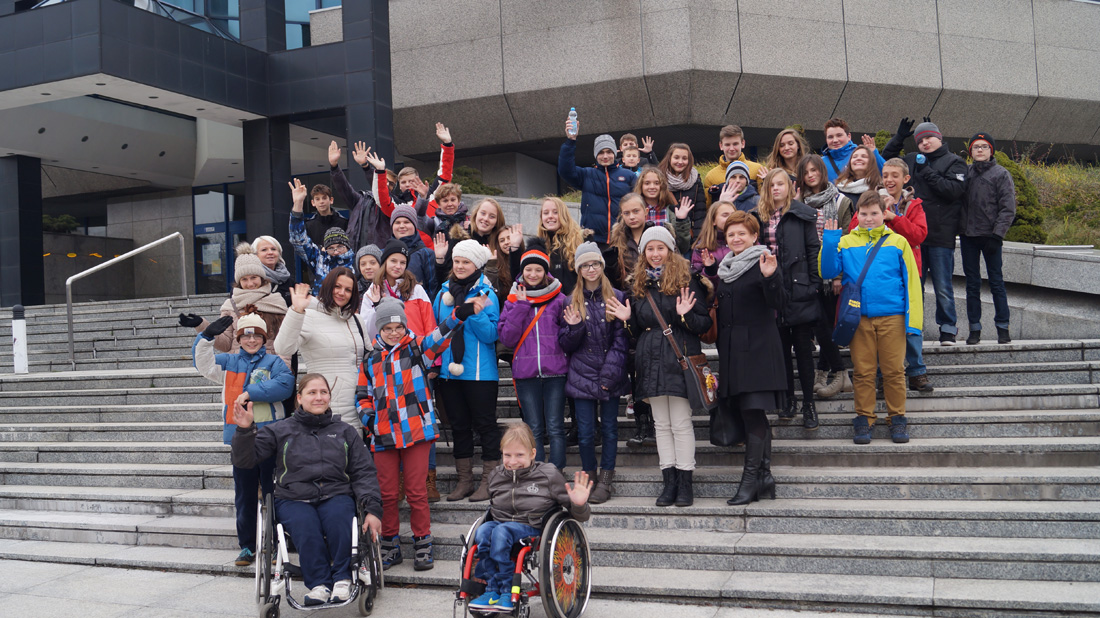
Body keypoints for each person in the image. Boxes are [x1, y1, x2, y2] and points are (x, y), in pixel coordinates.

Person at [357, 295, 487, 571]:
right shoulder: (370, 359)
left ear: (405, 326)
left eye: (398, 327)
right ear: (379, 329)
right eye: (387, 328)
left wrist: (460, 313)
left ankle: (423, 542)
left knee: (416, 492)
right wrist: (370, 421)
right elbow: (362, 396)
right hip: (383, 435)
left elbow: (440, 335)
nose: (394, 333)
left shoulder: (418, 349)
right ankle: (390, 544)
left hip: (416, 431)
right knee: (387, 494)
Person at [232, 374, 383, 606]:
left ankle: (342, 579)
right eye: (312, 392)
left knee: (340, 518)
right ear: (299, 398)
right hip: (293, 497)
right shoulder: (280, 430)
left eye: (323, 392)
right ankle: (319, 584)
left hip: (336, 493)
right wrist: (244, 431)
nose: (318, 397)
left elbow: (364, 472)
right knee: (305, 526)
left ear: (329, 397)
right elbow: (245, 460)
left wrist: (372, 509)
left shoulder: (345, 431)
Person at [607, 226, 712, 507]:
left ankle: (685, 482)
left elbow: (703, 324)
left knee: (680, 423)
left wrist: (684, 316)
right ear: (643, 253)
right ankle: (669, 482)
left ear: (670, 250)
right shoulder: (638, 285)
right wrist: (628, 320)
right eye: (650, 249)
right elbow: (637, 331)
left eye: (660, 248)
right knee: (661, 425)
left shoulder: (688, 280)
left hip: (678, 358)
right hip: (650, 360)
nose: (655, 254)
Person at [193, 312, 294, 567]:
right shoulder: (229, 361)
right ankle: (247, 546)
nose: (251, 340)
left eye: (257, 335)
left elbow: (285, 385)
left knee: (274, 492)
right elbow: (203, 364)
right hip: (241, 439)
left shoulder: (274, 362)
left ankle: (276, 543)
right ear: (238, 339)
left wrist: (250, 392)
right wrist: (206, 337)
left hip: (270, 436)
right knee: (244, 494)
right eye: (246, 336)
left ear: (264, 338)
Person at [821, 191, 922, 445]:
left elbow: (912, 283)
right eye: (864, 213)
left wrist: (914, 323)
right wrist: (830, 240)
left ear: (884, 214)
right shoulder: (846, 241)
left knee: (894, 371)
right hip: (859, 318)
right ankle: (864, 418)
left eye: (874, 213)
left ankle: (897, 417)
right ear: (857, 215)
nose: (868, 218)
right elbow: (827, 270)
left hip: (892, 316)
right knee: (863, 372)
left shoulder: (898, 242)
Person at [704, 212, 785, 505]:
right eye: (731, 234)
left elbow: (779, 303)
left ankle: (750, 482)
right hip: (733, 353)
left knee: (753, 413)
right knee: (752, 414)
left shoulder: (764, 262)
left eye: (742, 233)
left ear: (754, 236)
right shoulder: (726, 267)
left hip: (759, 351)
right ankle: (764, 477)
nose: (736, 238)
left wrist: (771, 277)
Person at [468, 424, 591, 614]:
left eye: (519, 455)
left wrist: (579, 504)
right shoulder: (495, 475)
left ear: (533, 453)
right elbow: (492, 507)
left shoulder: (548, 475)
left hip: (531, 526)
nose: (513, 461)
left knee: (500, 532)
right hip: (501, 524)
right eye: (507, 455)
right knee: (483, 531)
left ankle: (507, 591)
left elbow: (577, 516)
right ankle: (492, 589)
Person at [848, 158, 932, 392]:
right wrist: (875, 213)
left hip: (908, 274)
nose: (889, 180)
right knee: (880, 326)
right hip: (877, 275)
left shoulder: (913, 205)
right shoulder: (870, 200)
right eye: (885, 175)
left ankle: (916, 371)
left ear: (906, 179)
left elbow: (918, 236)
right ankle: (883, 374)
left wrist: (894, 217)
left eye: (895, 175)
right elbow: (853, 230)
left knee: (911, 322)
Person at [884, 119, 967, 345]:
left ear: (939, 138)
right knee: (914, 286)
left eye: (929, 138)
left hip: (940, 236)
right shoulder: (911, 159)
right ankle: (915, 328)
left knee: (942, 286)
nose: (925, 143)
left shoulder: (955, 162)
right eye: (920, 140)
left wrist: (927, 171)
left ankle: (948, 329)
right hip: (912, 236)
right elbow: (887, 160)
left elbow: (953, 191)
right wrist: (899, 138)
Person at [560, 242, 629, 503]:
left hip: (611, 373)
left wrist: (609, 375)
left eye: (595, 264)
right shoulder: (570, 301)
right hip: (581, 376)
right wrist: (574, 328)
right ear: (579, 270)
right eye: (585, 265)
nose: (591, 269)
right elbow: (565, 344)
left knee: (610, 429)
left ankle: (606, 479)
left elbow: (621, 340)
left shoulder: (617, 296)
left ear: (602, 266)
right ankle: (589, 475)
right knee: (586, 432)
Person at [433, 240, 502, 502]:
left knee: (485, 426)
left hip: (480, 373)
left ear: (477, 265)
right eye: (457, 261)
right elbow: (436, 331)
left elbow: (491, 335)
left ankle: (489, 482)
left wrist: (474, 312)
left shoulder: (487, 293)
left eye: (466, 262)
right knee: (459, 427)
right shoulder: (443, 293)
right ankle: (464, 482)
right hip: (449, 373)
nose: (460, 266)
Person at [757, 170, 822, 429]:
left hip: (800, 289)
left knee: (804, 351)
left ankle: (809, 404)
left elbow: (813, 249)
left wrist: (814, 284)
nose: (775, 188)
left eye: (780, 184)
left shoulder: (802, 214)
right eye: (771, 184)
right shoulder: (759, 216)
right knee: (781, 351)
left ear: (790, 186)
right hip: (773, 291)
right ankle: (788, 399)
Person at [498, 245, 570, 469]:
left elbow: (568, 335)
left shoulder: (559, 299)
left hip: (555, 372)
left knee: (555, 426)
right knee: (534, 428)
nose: (533, 274)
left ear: (546, 272)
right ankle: (536, 473)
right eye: (528, 269)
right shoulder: (512, 299)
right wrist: (520, 306)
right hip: (526, 374)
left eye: (538, 270)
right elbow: (507, 338)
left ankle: (555, 472)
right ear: (522, 271)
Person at [274, 268, 368, 428]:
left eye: (348, 290)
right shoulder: (309, 316)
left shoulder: (357, 320)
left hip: (360, 404)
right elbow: (283, 348)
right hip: (327, 404)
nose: (342, 293)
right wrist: (296, 311)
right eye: (337, 286)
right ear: (328, 286)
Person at [797, 154, 854, 399]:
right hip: (807, 272)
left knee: (826, 324)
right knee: (819, 324)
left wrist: (839, 275)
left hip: (832, 273)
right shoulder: (798, 202)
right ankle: (838, 373)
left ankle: (826, 372)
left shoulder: (840, 200)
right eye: (806, 172)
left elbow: (847, 238)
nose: (811, 175)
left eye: (814, 170)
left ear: (822, 171)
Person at [179, 243, 289, 365]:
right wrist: (202, 325)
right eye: (244, 279)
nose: (250, 283)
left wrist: (283, 370)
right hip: (238, 368)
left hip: (269, 368)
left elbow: (286, 343)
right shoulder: (230, 305)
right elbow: (225, 344)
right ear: (238, 281)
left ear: (262, 278)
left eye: (254, 277)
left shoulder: (276, 302)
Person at [961, 132, 1016, 345]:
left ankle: (1003, 327)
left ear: (991, 150)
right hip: (968, 236)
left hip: (990, 237)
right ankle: (974, 328)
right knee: (972, 284)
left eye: (984, 146)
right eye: (976, 147)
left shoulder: (1001, 174)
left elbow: (1008, 207)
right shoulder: (965, 173)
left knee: (996, 282)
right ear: (971, 151)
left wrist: (997, 235)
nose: (980, 150)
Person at [558, 125, 637, 245]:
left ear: (615, 153)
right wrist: (570, 141)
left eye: (609, 152)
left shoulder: (629, 176)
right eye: (601, 152)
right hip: (593, 240)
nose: (605, 156)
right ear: (595, 155)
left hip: (622, 239)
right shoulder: (587, 174)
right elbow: (565, 170)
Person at [436, 197, 514, 305]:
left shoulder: (500, 244)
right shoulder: (459, 239)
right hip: (457, 300)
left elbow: (507, 283)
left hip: (488, 304)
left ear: (497, 221)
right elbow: (445, 278)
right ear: (476, 214)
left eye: (492, 216)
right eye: (483, 213)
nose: (486, 219)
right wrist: (440, 259)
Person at [289, 178, 354, 295]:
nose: (335, 251)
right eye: (330, 248)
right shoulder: (320, 261)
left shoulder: (357, 263)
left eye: (340, 246)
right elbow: (298, 240)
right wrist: (298, 203)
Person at [328, 141, 389, 251]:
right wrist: (334, 167)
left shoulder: (391, 204)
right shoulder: (361, 200)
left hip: (378, 255)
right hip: (355, 254)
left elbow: (380, 189)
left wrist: (367, 167)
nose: (387, 184)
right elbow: (344, 188)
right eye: (385, 181)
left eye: (390, 183)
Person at [703, 125, 765, 206]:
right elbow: (709, 209)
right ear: (721, 146)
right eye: (727, 145)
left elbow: (765, 203)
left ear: (743, 143)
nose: (731, 148)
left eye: (735, 144)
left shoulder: (757, 170)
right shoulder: (711, 176)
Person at [386, 204, 438, 299]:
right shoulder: (384, 253)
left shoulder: (426, 254)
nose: (402, 226)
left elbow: (432, 290)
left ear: (414, 225)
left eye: (407, 222)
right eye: (397, 222)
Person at [659, 143, 707, 239]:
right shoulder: (659, 179)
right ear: (669, 158)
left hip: (688, 236)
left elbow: (700, 214)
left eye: (684, 158)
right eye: (676, 157)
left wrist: (697, 240)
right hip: (664, 235)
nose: (680, 162)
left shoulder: (695, 180)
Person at [821, 118, 886, 182]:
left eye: (839, 135)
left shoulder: (861, 156)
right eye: (830, 137)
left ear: (849, 136)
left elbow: (885, 174)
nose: (835, 140)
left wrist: (874, 154)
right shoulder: (821, 163)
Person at [691, 199, 736, 285]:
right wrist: (710, 270)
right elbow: (698, 281)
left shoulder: (745, 241)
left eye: (733, 215)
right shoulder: (702, 247)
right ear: (713, 221)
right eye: (725, 215)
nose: (731, 218)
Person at [251, 235, 294, 304]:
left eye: (273, 249)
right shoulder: (250, 278)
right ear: (255, 255)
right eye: (264, 250)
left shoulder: (287, 279)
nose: (270, 252)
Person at [303, 183, 349, 248]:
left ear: (331, 200)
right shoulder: (308, 226)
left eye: (324, 198)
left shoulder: (344, 223)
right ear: (313, 203)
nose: (321, 201)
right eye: (317, 199)